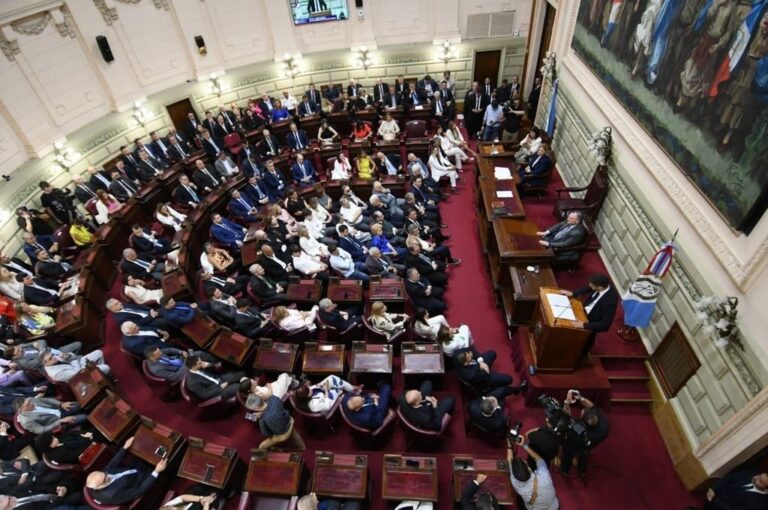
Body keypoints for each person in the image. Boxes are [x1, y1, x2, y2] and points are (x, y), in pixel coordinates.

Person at [86, 436, 167, 505]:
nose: (107, 473)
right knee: (164, 468)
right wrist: (156, 471)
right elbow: (139, 491)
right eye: (106, 476)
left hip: (131, 471)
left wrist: (125, 447)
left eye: (105, 473)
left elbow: (112, 464)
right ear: (101, 485)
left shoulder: (99, 477)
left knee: (142, 449)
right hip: (141, 480)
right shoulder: (114, 495)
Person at [561, 273, 619, 354]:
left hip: (590, 323)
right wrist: (573, 293)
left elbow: (605, 324)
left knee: (580, 346)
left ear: (600, 288)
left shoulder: (610, 301)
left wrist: (583, 325)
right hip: (582, 312)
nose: (589, 286)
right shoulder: (601, 285)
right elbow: (588, 288)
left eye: (592, 286)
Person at [558, 389, 609, 477]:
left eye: (583, 411)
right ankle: (582, 471)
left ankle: (565, 471)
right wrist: (580, 398)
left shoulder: (579, 427)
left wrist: (567, 403)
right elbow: (592, 406)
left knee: (568, 454)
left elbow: (567, 418)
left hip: (577, 442)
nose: (582, 410)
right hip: (591, 443)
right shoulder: (604, 423)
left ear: (584, 421)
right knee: (585, 453)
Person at [507, 436, 559, 510]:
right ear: (528, 468)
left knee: (519, 499)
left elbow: (509, 461)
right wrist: (524, 445)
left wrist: (509, 445)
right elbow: (539, 459)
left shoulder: (515, 483)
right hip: (554, 508)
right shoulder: (544, 475)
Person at [453, 346, 521, 392]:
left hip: (479, 365)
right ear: (466, 363)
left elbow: (471, 348)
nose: (470, 354)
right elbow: (485, 373)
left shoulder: (457, 353)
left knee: (492, 353)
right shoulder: (471, 375)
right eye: (469, 356)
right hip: (483, 379)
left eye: (468, 353)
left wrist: (481, 362)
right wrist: (483, 367)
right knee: (509, 379)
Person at [15, 397, 87, 434]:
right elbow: (42, 430)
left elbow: (46, 400)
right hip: (58, 422)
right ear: (20, 409)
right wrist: (60, 421)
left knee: (79, 404)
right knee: (85, 417)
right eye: (27, 405)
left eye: (29, 402)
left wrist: (61, 404)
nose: (31, 403)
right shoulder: (26, 422)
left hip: (59, 409)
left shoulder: (29, 399)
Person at [144, 346, 215, 383]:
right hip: (179, 371)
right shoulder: (157, 369)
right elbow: (175, 377)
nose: (161, 353)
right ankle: (213, 368)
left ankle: (214, 363)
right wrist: (187, 363)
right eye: (159, 353)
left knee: (199, 353)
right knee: (195, 361)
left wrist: (181, 352)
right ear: (152, 357)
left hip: (179, 360)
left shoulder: (157, 352)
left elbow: (170, 350)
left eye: (160, 351)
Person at [703, 469, 768, 510]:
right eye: (759, 475)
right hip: (711, 494)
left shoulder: (759, 505)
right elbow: (730, 477)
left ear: (766, 490)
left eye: (760, 481)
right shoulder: (754, 472)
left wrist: (714, 498)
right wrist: (714, 489)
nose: (755, 477)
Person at [34, 429, 103, 465]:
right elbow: (79, 452)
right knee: (103, 436)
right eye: (52, 440)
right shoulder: (59, 454)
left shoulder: (56, 441)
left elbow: (71, 433)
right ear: (49, 446)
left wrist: (83, 434)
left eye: (53, 437)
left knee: (97, 428)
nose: (55, 438)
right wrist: (87, 438)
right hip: (86, 451)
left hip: (83, 438)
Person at [293, 375, 358, 414]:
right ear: (306, 397)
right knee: (338, 384)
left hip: (320, 394)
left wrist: (318, 385)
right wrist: (326, 390)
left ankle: (351, 388)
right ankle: (352, 390)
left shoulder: (304, 395)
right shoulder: (313, 405)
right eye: (309, 391)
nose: (310, 389)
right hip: (328, 402)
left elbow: (311, 388)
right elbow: (327, 404)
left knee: (332, 377)